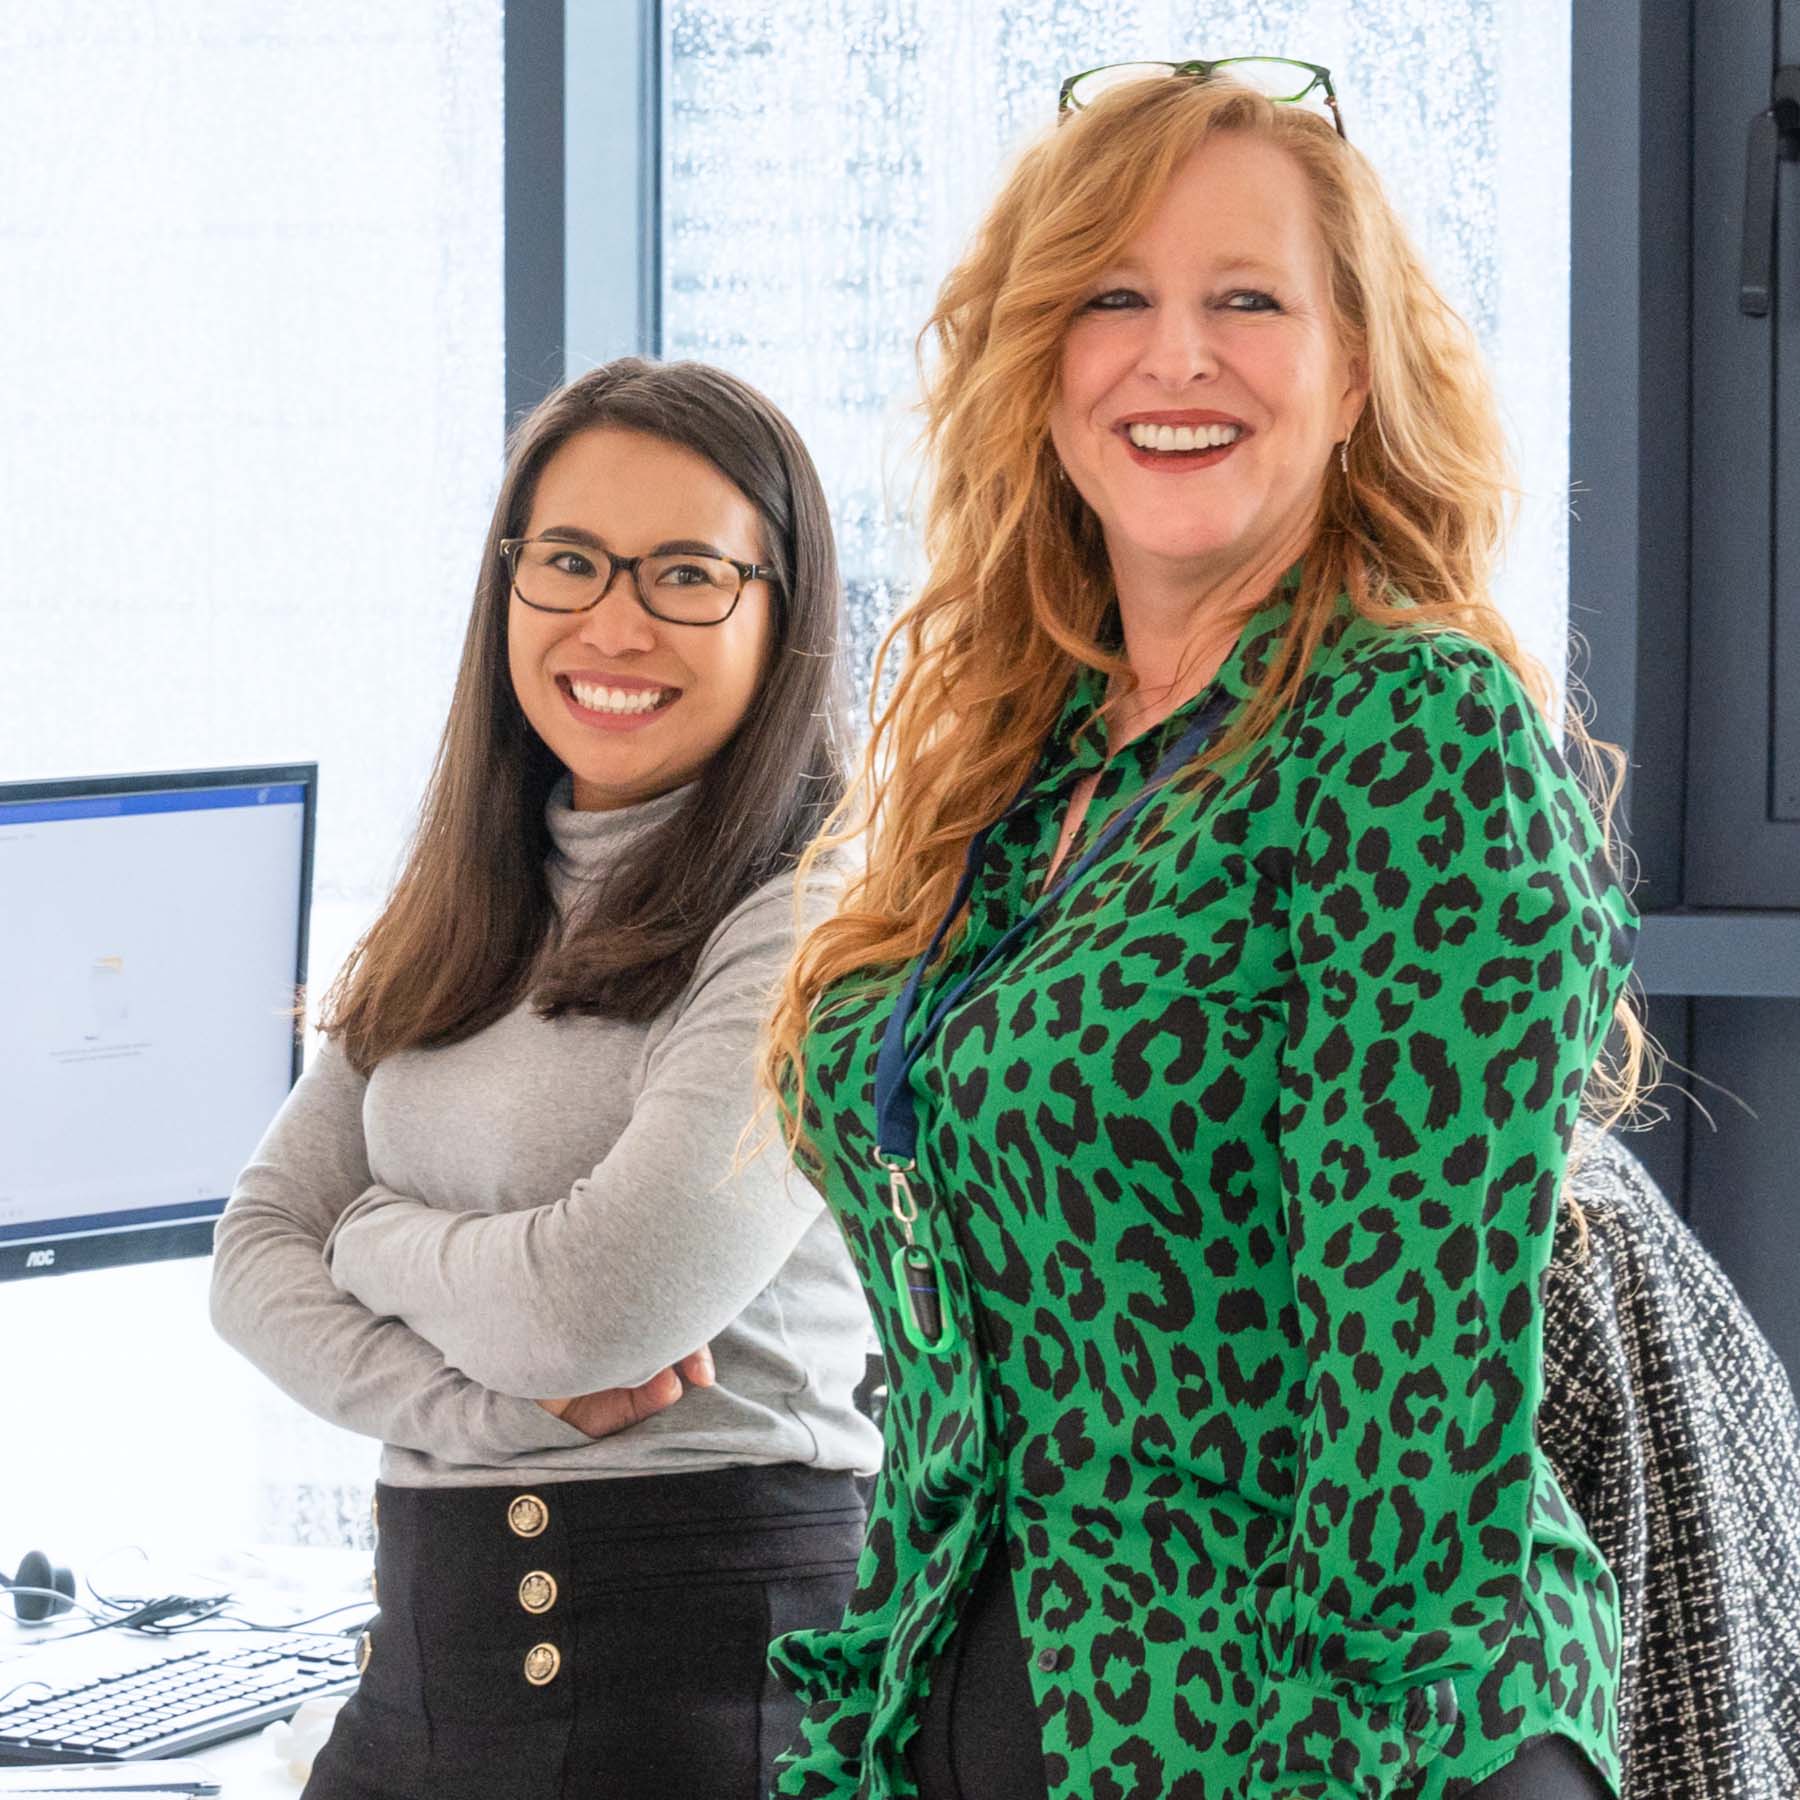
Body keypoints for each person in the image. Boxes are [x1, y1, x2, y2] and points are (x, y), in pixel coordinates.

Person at [757, 62, 1647, 1800]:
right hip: (996, 1691)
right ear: (1042, 367)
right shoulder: (1017, 764)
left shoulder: (1411, 737)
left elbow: (1415, 1419)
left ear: (1353, 374)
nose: (1177, 357)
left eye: (1250, 300)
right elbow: (958, 1366)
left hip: (1335, 1734)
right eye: (1115, 298)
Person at [209, 357, 881, 1800]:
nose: (614, 621)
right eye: (570, 561)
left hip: (694, 1691)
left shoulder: (816, 913)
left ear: (784, 612)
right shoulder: (469, 898)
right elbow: (252, 1264)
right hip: (422, 1688)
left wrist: (374, 1237)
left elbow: (603, 1306)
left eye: (689, 574)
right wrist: (494, 1415)